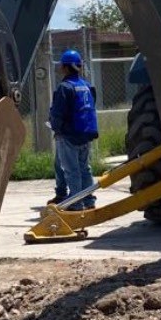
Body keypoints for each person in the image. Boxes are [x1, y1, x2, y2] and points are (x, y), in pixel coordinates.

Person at [48, 49, 98, 209]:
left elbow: (57, 114)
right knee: (85, 169)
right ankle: (89, 200)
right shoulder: (86, 86)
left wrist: (56, 129)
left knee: (71, 170)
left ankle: (76, 202)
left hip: (68, 135)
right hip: (85, 133)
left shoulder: (65, 87)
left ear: (65, 67)